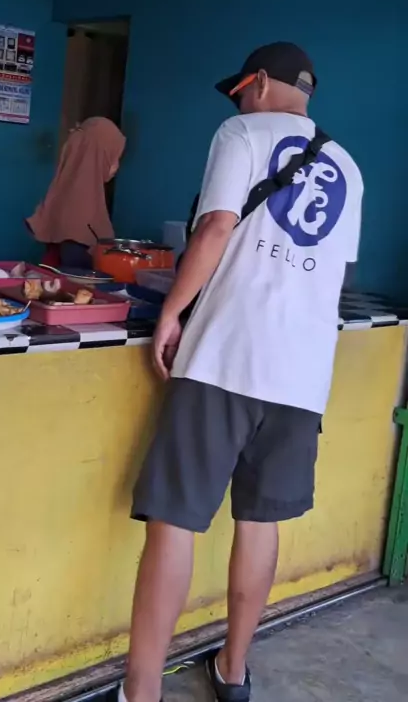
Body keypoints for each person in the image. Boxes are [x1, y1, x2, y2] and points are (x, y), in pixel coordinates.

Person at [121, 43, 363, 702]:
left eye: (239, 93)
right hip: (303, 374)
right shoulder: (348, 165)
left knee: (175, 520)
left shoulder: (242, 133)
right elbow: (336, 275)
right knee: (260, 522)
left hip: (226, 357)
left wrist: (173, 312)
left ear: (256, 83)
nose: (237, 104)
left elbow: (215, 228)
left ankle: (141, 690)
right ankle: (233, 672)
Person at [26, 117, 125, 268]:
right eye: (114, 157)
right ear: (99, 156)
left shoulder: (62, 198)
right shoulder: (84, 217)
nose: (117, 165)